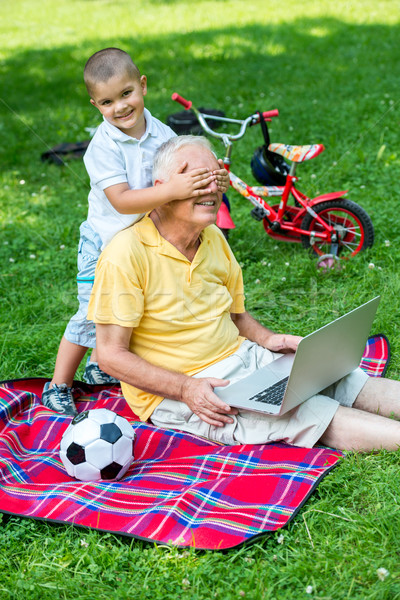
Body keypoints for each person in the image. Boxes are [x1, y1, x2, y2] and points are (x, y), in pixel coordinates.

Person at [87, 135, 400, 452]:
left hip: (244, 358)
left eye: (214, 176)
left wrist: (269, 340)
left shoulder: (212, 237)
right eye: (196, 179)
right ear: (161, 188)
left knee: (344, 380)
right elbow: (110, 356)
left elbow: (237, 316)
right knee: (310, 413)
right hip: (186, 387)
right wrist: (186, 388)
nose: (211, 188)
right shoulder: (125, 254)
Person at [42, 48, 230, 417]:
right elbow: (123, 201)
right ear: (96, 104)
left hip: (142, 238)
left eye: (126, 94)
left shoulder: (162, 133)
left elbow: (182, 171)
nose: (120, 107)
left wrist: (211, 179)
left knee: (135, 307)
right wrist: (173, 191)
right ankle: (58, 384)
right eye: (108, 102)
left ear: (142, 85)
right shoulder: (103, 147)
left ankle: (99, 366)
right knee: (91, 313)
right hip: (105, 239)